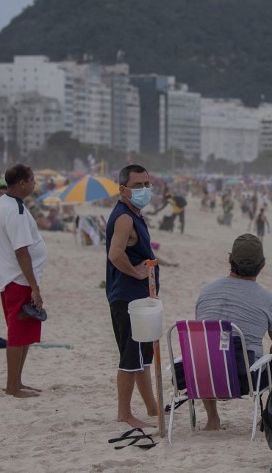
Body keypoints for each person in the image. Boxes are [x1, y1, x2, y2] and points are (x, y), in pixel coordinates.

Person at [194, 233, 272, 431]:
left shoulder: (206, 291)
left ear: (230, 259)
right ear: (262, 265)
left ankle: (212, 419)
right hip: (245, 379)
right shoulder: (268, 299)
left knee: (209, 348)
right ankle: (267, 416)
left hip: (203, 376)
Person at [106, 164, 160, 428]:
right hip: (128, 298)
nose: (143, 190)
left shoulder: (134, 214)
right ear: (123, 189)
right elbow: (115, 254)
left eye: (146, 185)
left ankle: (151, 407)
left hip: (138, 298)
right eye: (137, 185)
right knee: (130, 357)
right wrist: (137, 274)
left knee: (142, 356)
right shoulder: (125, 217)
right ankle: (124, 413)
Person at [0, 164, 47, 398]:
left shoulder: (4, 203)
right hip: (18, 279)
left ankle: (17, 381)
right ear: (22, 183)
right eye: (32, 180)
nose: (35, 184)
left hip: (12, 277)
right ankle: (12, 386)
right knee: (17, 331)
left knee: (23, 332)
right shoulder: (15, 210)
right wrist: (34, 286)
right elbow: (21, 251)